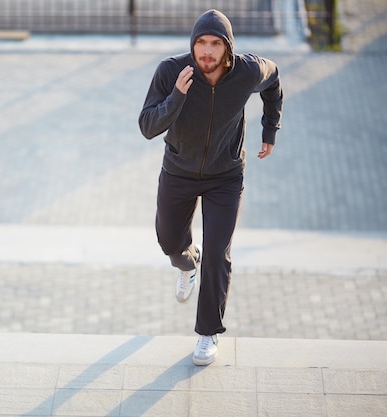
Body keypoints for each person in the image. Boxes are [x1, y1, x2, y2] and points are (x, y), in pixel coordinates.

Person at [138, 9, 283, 365]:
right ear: (192, 44)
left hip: (225, 176)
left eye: (215, 44)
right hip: (179, 170)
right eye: (201, 43)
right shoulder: (172, 71)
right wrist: (176, 97)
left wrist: (270, 129)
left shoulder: (247, 71)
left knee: (219, 254)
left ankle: (207, 333)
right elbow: (147, 125)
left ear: (227, 47)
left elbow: (274, 78)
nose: (206, 51)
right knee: (169, 241)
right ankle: (188, 264)